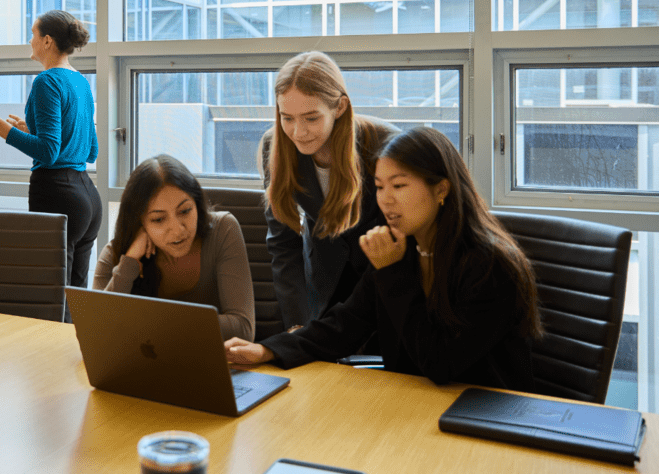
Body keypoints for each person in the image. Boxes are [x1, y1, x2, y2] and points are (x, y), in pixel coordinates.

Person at [226, 127, 544, 391]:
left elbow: (440, 364)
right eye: (379, 187)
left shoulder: (490, 264)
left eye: (399, 185)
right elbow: (344, 325)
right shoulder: (401, 249)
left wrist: (391, 271)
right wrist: (268, 348)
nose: (386, 199)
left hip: (482, 417)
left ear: (441, 189)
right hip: (414, 405)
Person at [0, 10, 102, 319]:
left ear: (46, 40)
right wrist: (32, 131)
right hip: (87, 197)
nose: (29, 40)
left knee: (52, 298)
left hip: (58, 193)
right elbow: (90, 149)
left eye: (32, 34)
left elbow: (48, 152)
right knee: (75, 298)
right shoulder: (80, 82)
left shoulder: (46, 81)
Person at [261, 51, 395, 330]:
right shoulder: (274, 147)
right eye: (287, 118)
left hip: (382, 283)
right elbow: (283, 244)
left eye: (311, 118)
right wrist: (297, 325)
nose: (298, 132)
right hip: (321, 285)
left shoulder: (386, 146)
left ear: (340, 107)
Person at [93, 154, 255, 341]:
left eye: (185, 211)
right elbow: (96, 332)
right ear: (140, 222)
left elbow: (243, 330)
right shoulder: (120, 252)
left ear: (197, 204)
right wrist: (128, 265)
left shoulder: (223, 229)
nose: (178, 230)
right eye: (159, 219)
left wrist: (149, 321)